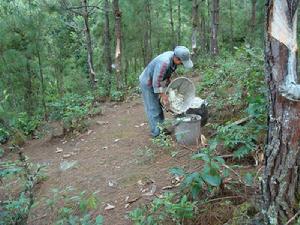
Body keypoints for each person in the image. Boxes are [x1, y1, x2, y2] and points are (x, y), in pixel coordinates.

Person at [139, 46, 193, 137]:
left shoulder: (173, 59)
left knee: (159, 107)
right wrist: (163, 96)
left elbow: (167, 73)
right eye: (181, 62)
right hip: (147, 82)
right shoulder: (164, 62)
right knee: (153, 108)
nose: (182, 64)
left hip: (156, 81)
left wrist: (168, 85)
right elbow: (156, 82)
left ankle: (161, 128)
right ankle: (156, 134)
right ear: (176, 58)